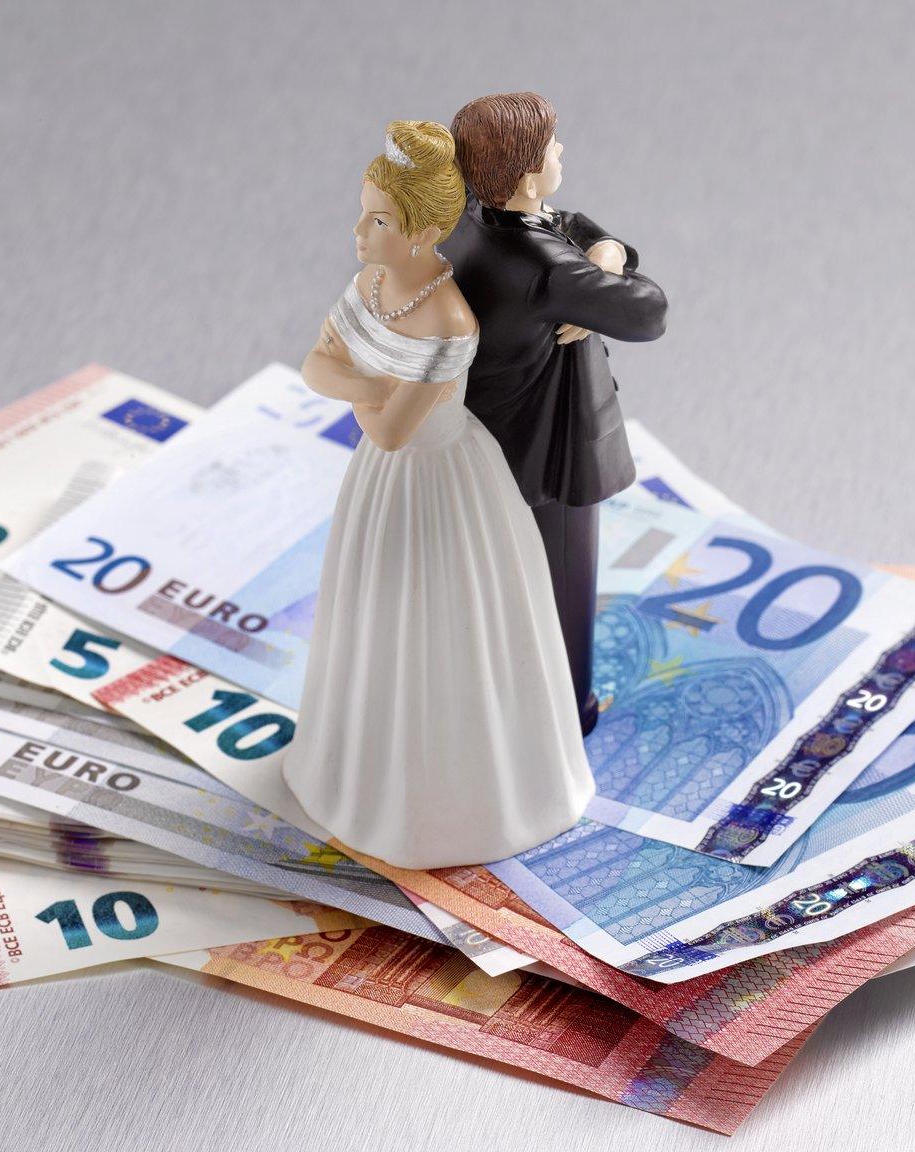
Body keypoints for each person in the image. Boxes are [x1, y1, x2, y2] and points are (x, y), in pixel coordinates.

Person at [281, 120, 595, 870]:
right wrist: (369, 384)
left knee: (448, 626)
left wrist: (359, 383)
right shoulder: (368, 284)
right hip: (384, 486)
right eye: (362, 213)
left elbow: (392, 429)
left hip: (444, 485)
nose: (360, 232)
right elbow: (315, 370)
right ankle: (363, 772)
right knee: (375, 617)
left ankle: (447, 798)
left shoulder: (451, 317)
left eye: (379, 220)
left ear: (426, 231)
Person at [441, 92, 669, 737]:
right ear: (525, 174)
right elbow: (648, 311)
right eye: (551, 148)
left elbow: (570, 223)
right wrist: (597, 271)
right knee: (561, 588)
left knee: (495, 585)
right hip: (551, 452)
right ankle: (565, 717)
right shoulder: (545, 270)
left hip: (486, 434)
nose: (561, 152)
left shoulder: (472, 222)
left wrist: (603, 254)